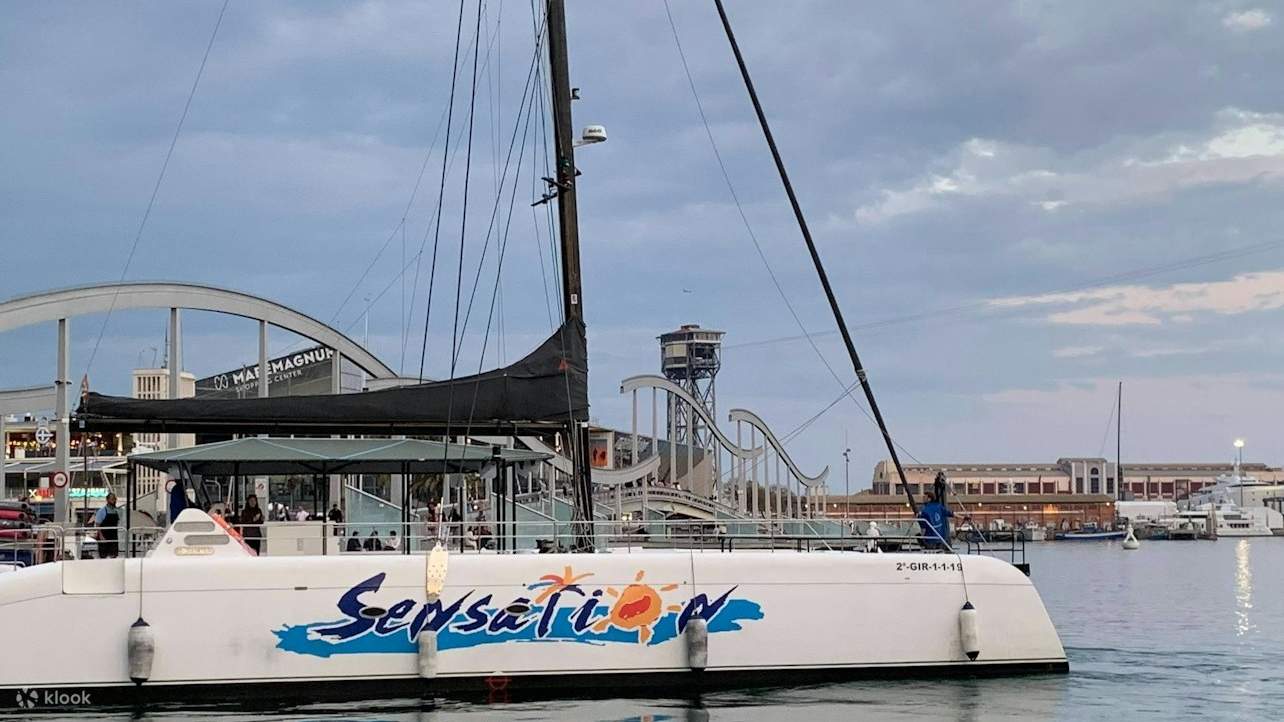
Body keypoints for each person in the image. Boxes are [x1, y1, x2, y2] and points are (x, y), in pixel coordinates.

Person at [93, 493, 121, 558]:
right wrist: (101, 536)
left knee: (114, 555)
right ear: (107, 500)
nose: (114, 501)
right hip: (104, 536)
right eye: (112, 499)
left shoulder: (116, 511)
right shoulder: (102, 511)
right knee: (104, 556)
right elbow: (97, 524)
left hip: (113, 537)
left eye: (114, 499)